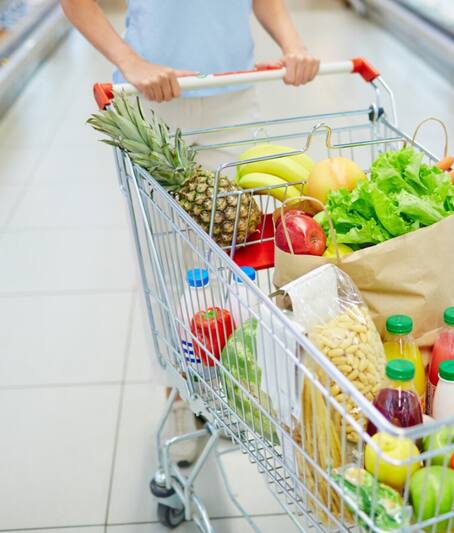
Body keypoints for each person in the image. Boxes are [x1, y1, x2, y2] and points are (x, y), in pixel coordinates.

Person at [61, 0, 320, 466]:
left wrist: (292, 42)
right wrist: (129, 61)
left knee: (243, 250)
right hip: (150, 99)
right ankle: (181, 392)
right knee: (169, 262)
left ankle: (236, 382)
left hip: (236, 91)